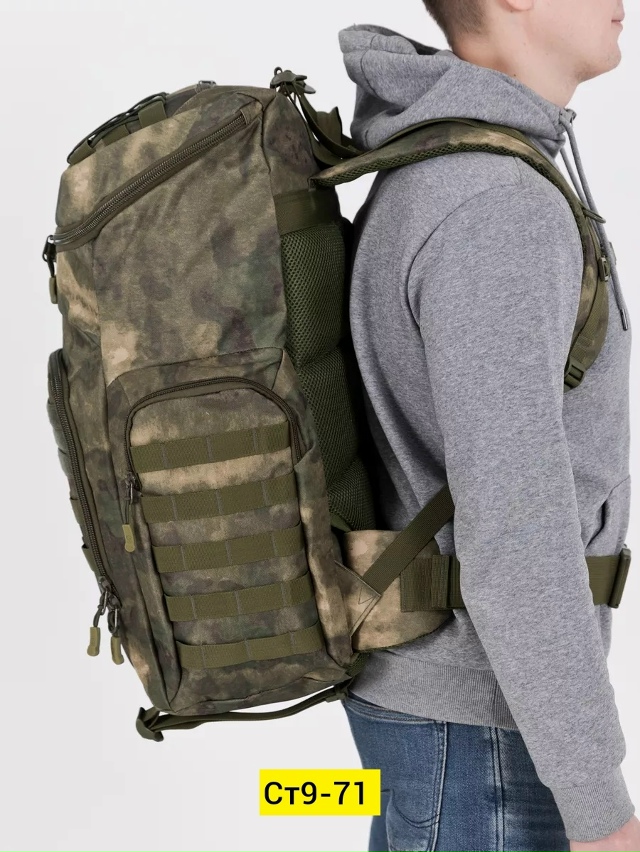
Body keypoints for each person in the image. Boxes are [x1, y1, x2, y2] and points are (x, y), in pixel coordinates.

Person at [337, 2, 638, 850]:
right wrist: (599, 807)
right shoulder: (496, 204)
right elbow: (515, 533)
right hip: (483, 738)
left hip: (441, 718)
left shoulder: (448, 168)